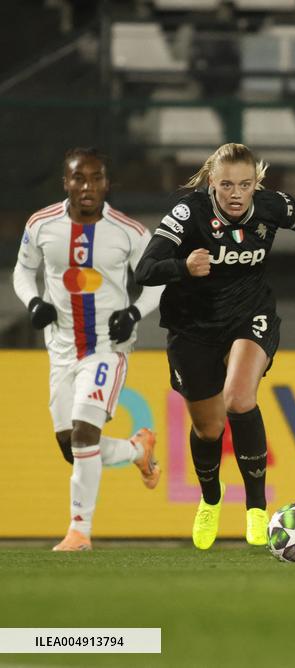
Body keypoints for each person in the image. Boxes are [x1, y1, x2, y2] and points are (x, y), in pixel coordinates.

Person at [135, 143, 295, 550]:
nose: (236, 194)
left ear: (255, 183)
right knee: (208, 429)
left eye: (245, 185)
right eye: (227, 184)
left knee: (239, 398)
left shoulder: (271, 207)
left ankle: (256, 508)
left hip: (250, 314)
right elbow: (144, 270)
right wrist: (183, 267)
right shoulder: (188, 213)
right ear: (212, 181)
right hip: (193, 325)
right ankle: (211, 498)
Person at [12, 147, 164, 552]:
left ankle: (79, 532)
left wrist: (133, 313)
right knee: (72, 448)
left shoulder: (130, 232)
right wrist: (33, 302)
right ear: (66, 182)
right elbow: (23, 270)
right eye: (79, 178)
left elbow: (157, 282)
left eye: (96, 178)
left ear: (106, 184)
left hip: (108, 348)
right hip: (62, 349)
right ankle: (136, 450)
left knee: (83, 434)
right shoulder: (41, 224)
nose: (87, 186)